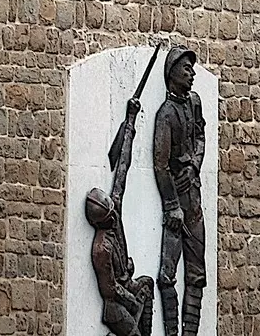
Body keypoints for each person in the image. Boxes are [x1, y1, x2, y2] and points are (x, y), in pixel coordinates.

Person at [88, 84, 155, 336]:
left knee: (147, 285)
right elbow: (109, 289)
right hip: (115, 304)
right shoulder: (101, 248)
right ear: (101, 222)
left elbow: (123, 168)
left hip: (127, 285)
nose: (115, 217)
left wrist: (130, 121)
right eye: (110, 217)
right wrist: (132, 301)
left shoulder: (114, 212)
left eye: (113, 212)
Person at [150, 47, 206, 336]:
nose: (192, 73)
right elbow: (160, 164)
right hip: (176, 200)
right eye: (186, 68)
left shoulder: (194, 102)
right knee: (166, 273)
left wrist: (195, 165)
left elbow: (200, 136)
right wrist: (171, 205)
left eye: (192, 68)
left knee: (197, 274)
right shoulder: (166, 114)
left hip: (194, 198)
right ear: (172, 73)